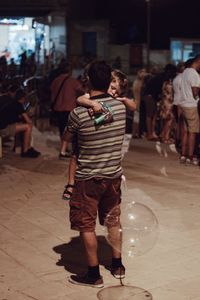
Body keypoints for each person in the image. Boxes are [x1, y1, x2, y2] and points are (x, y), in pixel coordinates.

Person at [63, 60, 126, 288]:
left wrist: (84, 101)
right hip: (113, 176)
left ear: (88, 80)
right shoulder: (120, 107)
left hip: (88, 178)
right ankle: (117, 264)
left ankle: (93, 274)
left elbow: (67, 139)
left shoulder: (79, 113)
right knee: (113, 220)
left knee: (86, 224)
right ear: (110, 80)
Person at [62, 69, 136, 201]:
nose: (113, 92)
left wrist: (123, 98)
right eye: (112, 88)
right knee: (75, 156)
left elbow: (133, 106)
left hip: (101, 146)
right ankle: (70, 183)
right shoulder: (90, 97)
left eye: (117, 91)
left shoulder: (116, 102)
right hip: (86, 140)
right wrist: (92, 103)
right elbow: (80, 98)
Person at [50, 61, 84, 159]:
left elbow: (52, 95)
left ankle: (64, 148)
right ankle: (65, 150)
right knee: (71, 130)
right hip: (69, 108)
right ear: (70, 71)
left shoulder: (55, 81)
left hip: (58, 108)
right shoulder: (73, 81)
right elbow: (82, 90)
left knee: (62, 129)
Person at [0, 87, 40, 158]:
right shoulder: (18, 105)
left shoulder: (12, 103)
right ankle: (25, 151)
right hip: (3, 129)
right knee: (28, 127)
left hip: (3, 125)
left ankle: (28, 147)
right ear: (23, 98)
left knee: (23, 125)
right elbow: (28, 121)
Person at [179, 55, 200, 165]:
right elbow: (195, 92)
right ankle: (190, 156)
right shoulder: (194, 74)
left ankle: (183, 155)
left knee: (186, 132)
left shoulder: (185, 72)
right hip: (191, 105)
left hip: (183, 104)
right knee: (193, 132)